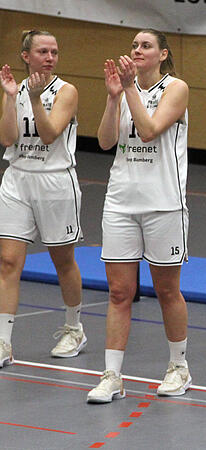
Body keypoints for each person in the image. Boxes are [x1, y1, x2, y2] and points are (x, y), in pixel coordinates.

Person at [87, 29, 190, 403]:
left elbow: (148, 131)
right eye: (134, 45)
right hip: (121, 202)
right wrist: (113, 97)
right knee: (119, 292)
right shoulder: (124, 88)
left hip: (164, 204)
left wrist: (128, 88)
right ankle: (112, 375)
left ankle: (179, 366)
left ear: (162, 54)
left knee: (166, 290)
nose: (137, 50)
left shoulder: (176, 88)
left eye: (146, 46)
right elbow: (105, 141)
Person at [0, 30, 84, 366]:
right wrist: (10, 98)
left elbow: (49, 135)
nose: (50, 58)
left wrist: (35, 100)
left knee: (62, 260)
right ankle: (4, 342)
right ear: (26, 56)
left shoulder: (66, 91)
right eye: (43, 52)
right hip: (18, 179)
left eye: (54, 52)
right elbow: (7, 138)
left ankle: (74, 328)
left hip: (55, 182)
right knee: (8, 262)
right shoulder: (14, 88)